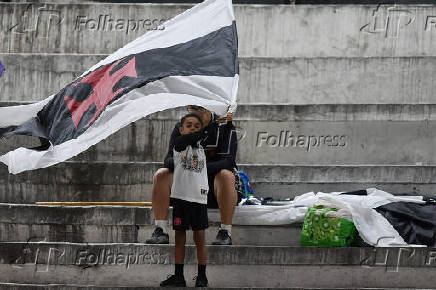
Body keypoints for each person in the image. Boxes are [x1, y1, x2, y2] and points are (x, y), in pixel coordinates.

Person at [146, 105, 240, 246]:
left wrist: (199, 168)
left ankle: (225, 231)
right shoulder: (183, 126)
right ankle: (160, 229)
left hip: (212, 188)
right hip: (186, 185)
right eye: (192, 108)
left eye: (200, 109)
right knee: (161, 174)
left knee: (226, 175)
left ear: (210, 109)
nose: (196, 113)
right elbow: (168, 160)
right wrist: (188, 165)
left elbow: (228, 161)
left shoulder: (225, 127)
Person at [160, 113, 209, 287]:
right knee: (180, 237)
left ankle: (202, 276)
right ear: (181, 129)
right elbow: (183, 141)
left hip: (199, 198)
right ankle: (179, 276)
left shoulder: (201, 148)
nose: (193, 128)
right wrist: (204, 129)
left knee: (200, 237)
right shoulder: (179, 146)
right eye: (189, 125)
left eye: (197, 126)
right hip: (181, 196)